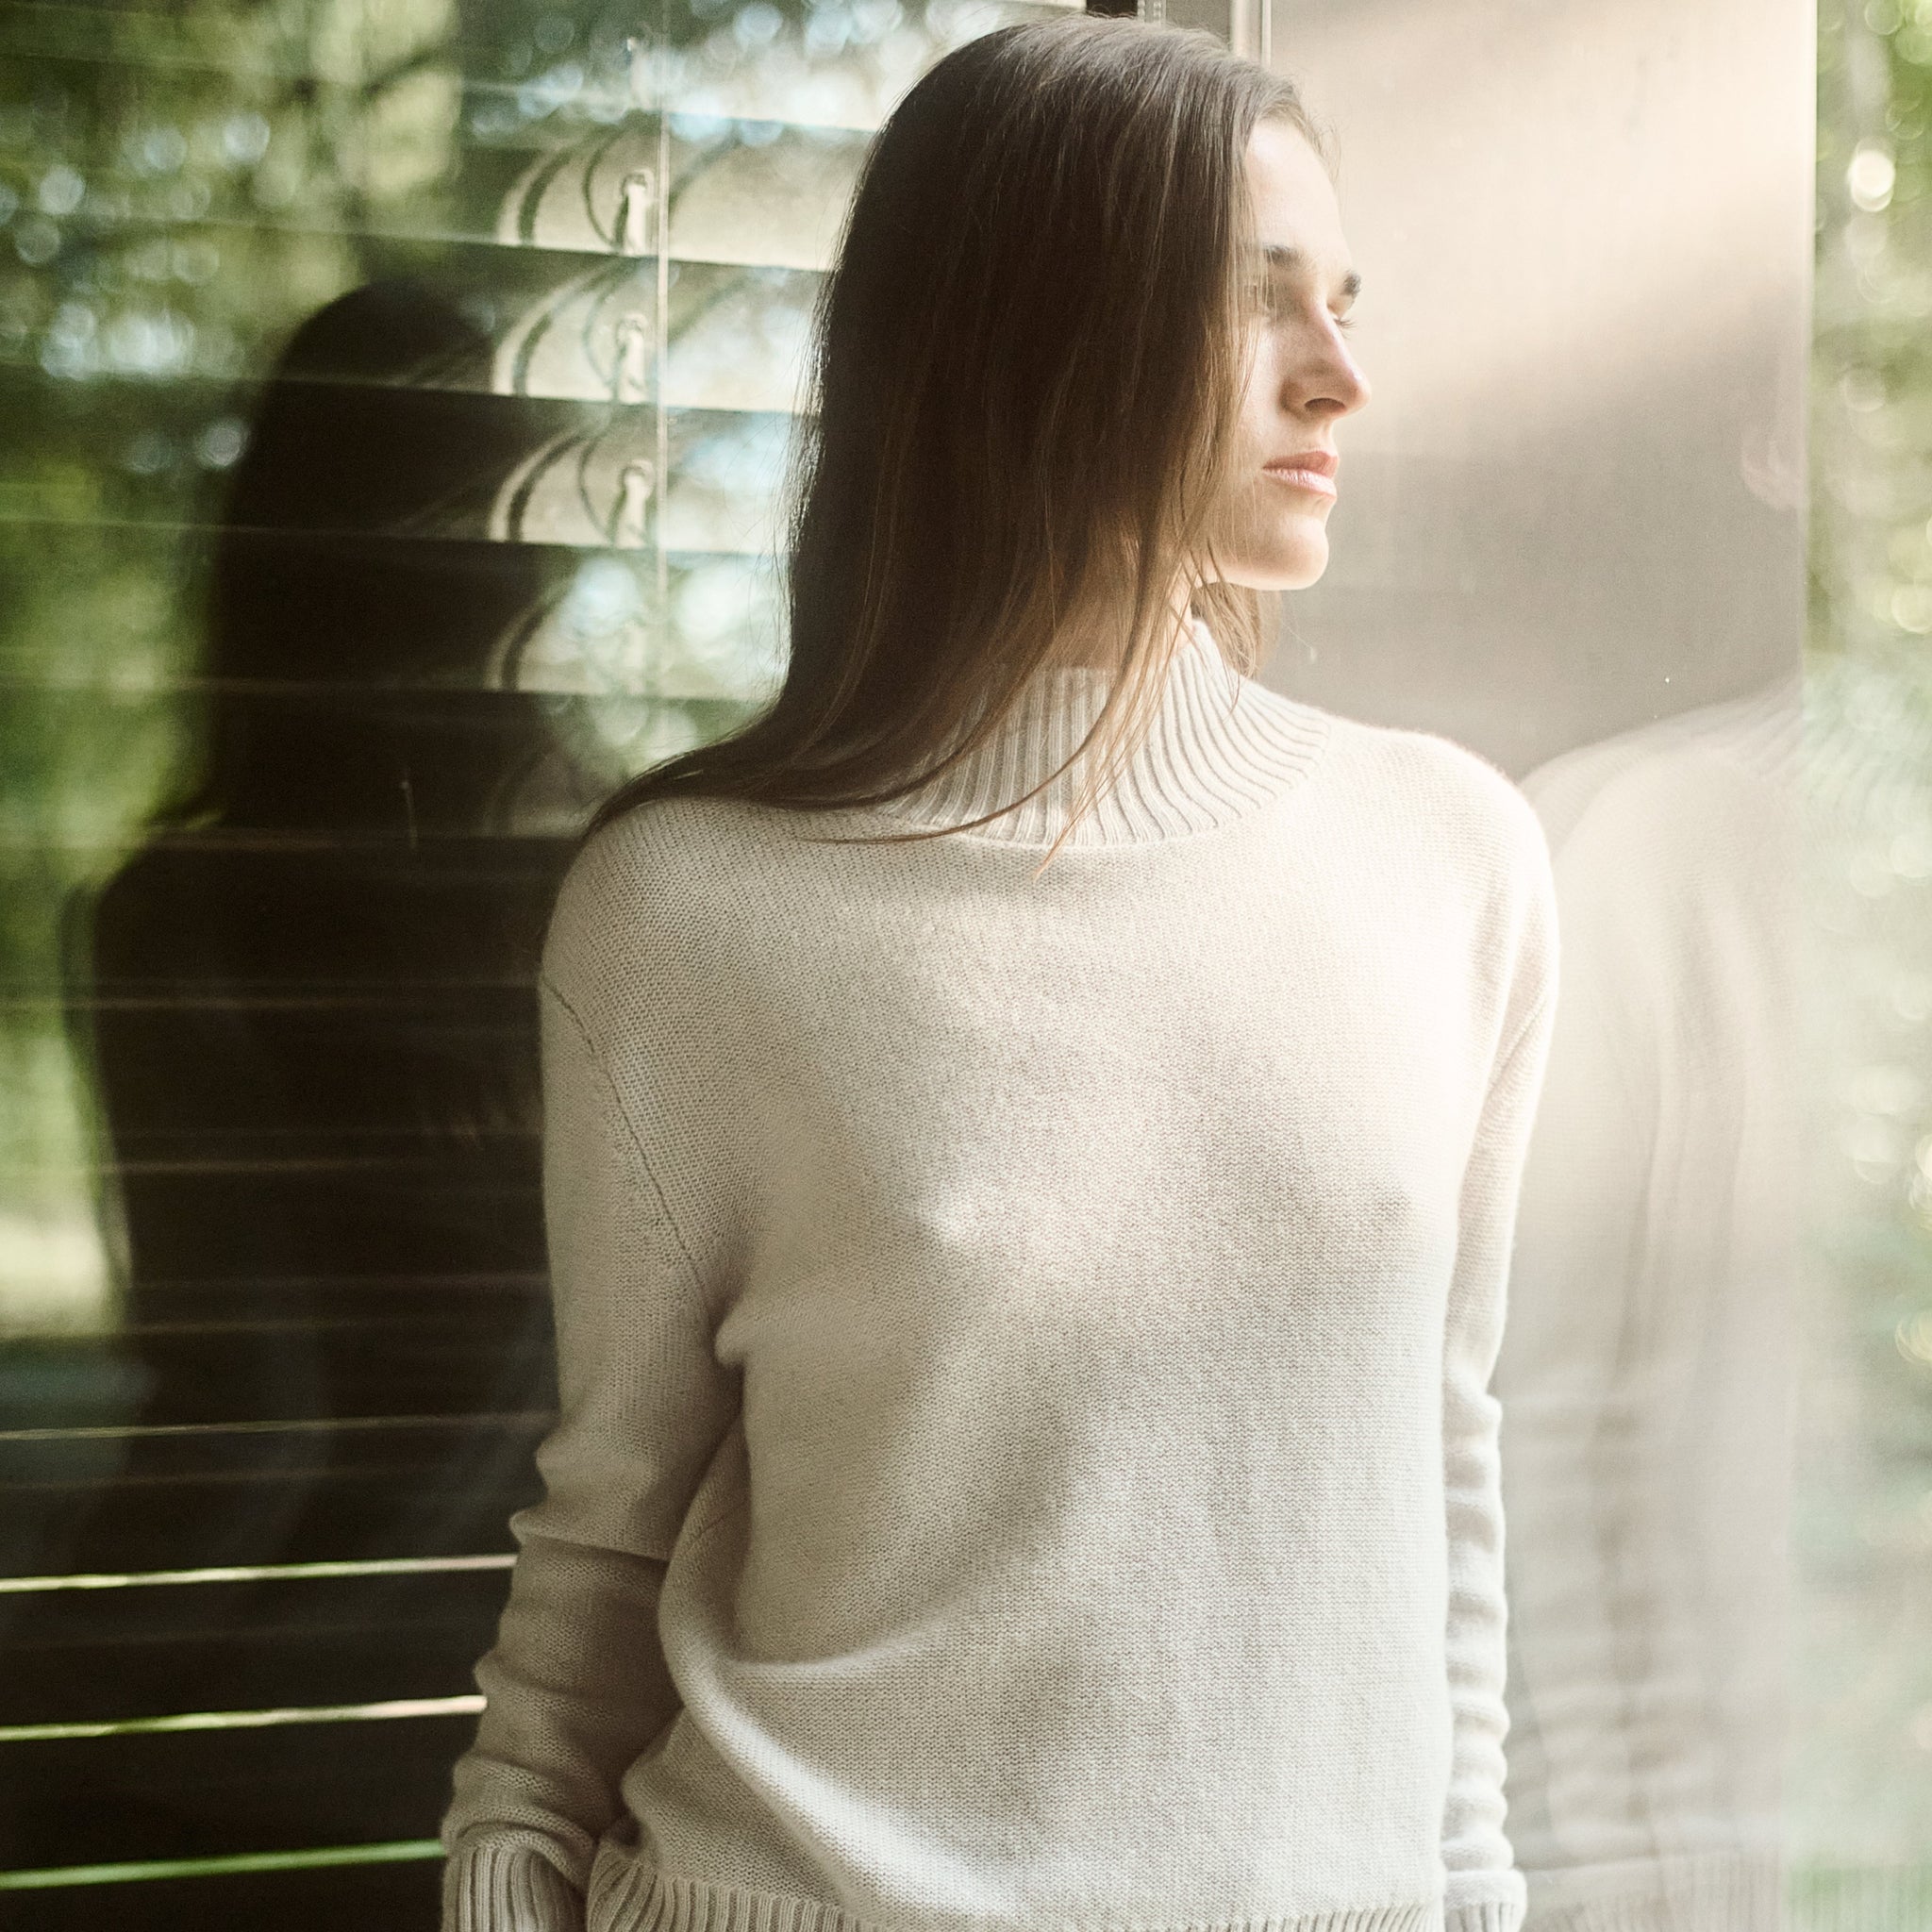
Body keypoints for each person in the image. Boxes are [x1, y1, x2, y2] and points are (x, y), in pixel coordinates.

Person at [440, 18, 1559, 1932]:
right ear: (1035, 335)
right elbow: (603, 1546)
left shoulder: (1448, 860)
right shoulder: (693, 908)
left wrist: (1470, 1902)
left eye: (1347, 300)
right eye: (1257, 305)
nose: (1342, 374)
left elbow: (1432, 1485)